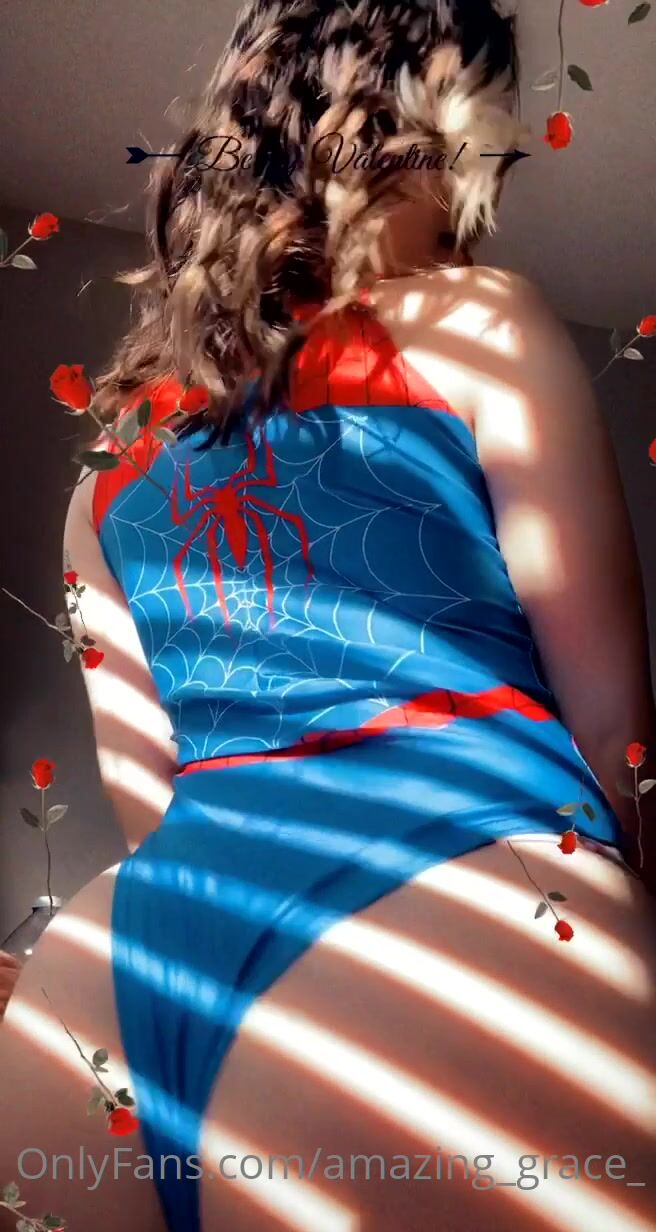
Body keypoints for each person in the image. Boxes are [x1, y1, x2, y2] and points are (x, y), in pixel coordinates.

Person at [2, 2, 655, 1230]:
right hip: (459, 898)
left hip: (112, 980)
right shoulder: (481, 325)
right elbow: (620, 743)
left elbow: (149, 800)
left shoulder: (103, 484)